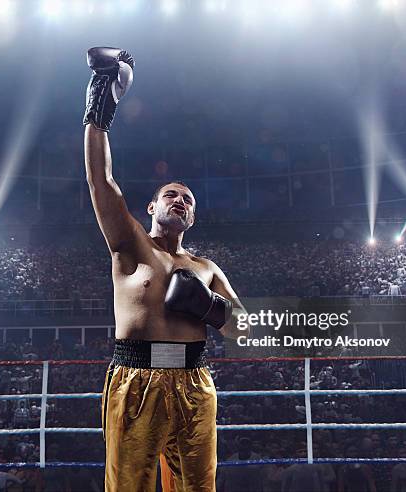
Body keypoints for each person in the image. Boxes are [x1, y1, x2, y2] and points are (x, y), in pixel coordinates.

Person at [83, 47, 247, 491]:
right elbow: (101, 182)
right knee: (129, 486)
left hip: (194, 381)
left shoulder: (207, 268)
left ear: (193, 217)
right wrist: (100, 109)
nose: (181, 200)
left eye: (189, 199)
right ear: (152, 206)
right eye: (172, 194)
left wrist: (210, 308)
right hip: (135, 379)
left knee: (198, 487)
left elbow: (243, 330)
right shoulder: (130, 244)